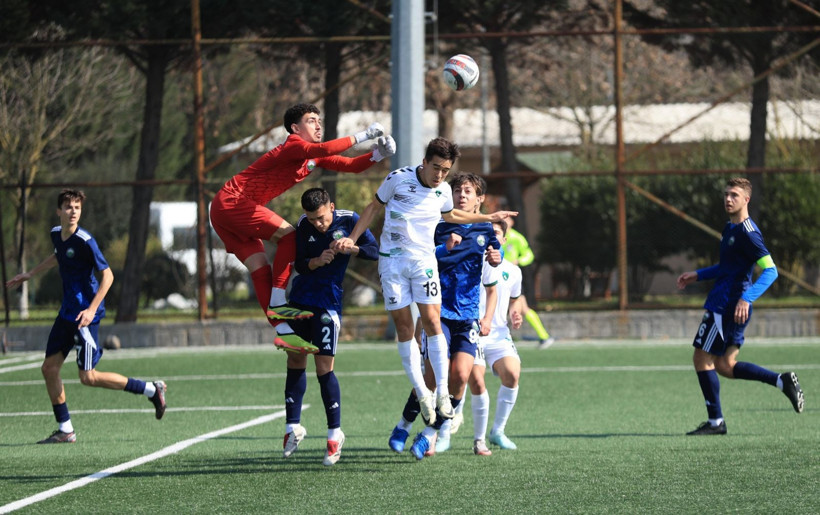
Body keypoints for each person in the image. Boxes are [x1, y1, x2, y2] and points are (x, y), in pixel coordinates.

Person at [331, 138, 516, 429]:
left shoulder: (443, 191)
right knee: (405, 329)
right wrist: (351, 239)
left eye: (446, 170)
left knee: (432, 321)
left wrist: (487, 217)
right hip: (392, 263)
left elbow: (451, 214)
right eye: (436, 168)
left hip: (424, 263)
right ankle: (422, 392)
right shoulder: (398, 178)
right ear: (425, 162)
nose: (440, 175)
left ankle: (441, 392)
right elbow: (373, 208)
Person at [209, 103, 394, 354]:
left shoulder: (312, 156)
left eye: (319, 120)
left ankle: (283, 331)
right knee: (289, 236)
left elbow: (351, 166)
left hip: (223, 212)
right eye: (311, 120)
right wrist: (364, 135)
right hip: (233, 202)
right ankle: (277, 301)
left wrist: (378, 155)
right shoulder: (294, 145)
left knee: (260, 268)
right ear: (295, 128)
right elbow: (325, 148)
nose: (318, 125)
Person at [5, 189, 167, 444]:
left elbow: (108, 276)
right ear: (59, 211)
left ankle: (150, 389)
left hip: (84, 317)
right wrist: (30, 274)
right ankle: (65, 429)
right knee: (49, 368)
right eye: (68, 207)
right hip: (66, 313)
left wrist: (91, 310)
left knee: (88, 377)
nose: (73, 212)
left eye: (77, 207)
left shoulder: (86, 240)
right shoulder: (56, 234)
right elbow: (58, 256)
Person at [385, 172, 502, 460]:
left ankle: (429, 434)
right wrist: (444, 247)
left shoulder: (484, 227)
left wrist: (495, 257)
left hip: (468, 314)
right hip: (438, 312)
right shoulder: (438, 224)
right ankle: (403, 425)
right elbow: (421, 255)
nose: (462, 195)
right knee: (431, 378)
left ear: (479, 199)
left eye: (468, 191)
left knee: (460, 376)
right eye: (458, 190)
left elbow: (494, 254)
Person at [676, 177, 804, 435]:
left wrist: (747, 297)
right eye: (726, 194)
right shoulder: (730, 229)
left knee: (701, 358)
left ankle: (716, 422)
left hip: (727, 305)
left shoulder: (748, 233)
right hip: (731, 305)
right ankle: (781, 381)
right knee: (725, 365)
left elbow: (770, 270)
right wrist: (698, 275)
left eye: (734, 195)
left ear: (747, 199)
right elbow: (728, 267)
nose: (728, 199)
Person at [279, 188, 378, 466]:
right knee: (295, 359)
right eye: (312, 219)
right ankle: (292, 427)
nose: (318, 224)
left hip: (328, 305)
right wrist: (315, 261)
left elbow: (374, 252)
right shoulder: (303, 224)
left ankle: (335, 434)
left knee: (323, 367)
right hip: (299, 302)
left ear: (331, 207)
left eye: (321, 218)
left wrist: (352, 246)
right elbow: (298, 263)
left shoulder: (349, 220)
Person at [467, 219, 524, 455]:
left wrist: (515, 314)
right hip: (473, 331)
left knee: (512, 374)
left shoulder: (514, 271)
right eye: (488, 232)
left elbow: (515, 300)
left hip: (499, 334)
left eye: (497, 233)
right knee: (474, 379)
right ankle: (451, 433)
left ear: (504, 239)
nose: (492, 237)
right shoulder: (471, 263)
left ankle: (497, 431)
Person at [504, 216, 554, 349]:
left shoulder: (516, 238)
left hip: (511, 277)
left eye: (507, 219)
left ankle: (544, 336)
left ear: (512, 222)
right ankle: (544, 337)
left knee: (523, 308)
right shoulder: (494, 235)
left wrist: (518, 261)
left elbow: (529, 255)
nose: (505, 221)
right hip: (496, 276)